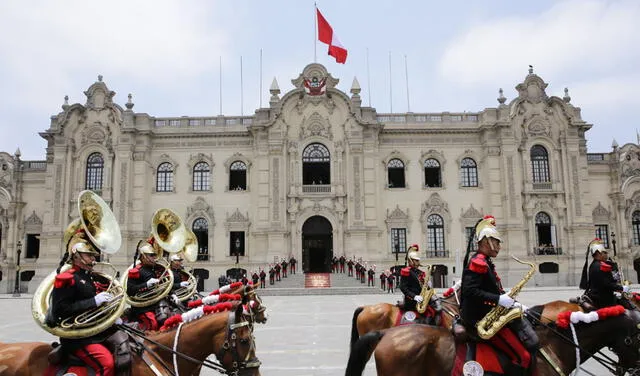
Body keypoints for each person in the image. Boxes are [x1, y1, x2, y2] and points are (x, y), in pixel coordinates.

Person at [460, 215, 538, 376]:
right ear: (486, 241)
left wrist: (508, 299)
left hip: (489, 312)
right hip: (480, 319)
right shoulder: (478, 262)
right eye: (496, 242)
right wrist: (499, 299)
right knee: (523, 356)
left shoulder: (486, 261)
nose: (499, 246)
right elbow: (469, 291)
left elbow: (489, 287)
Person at [46, 229, 118, 376]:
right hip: (77, 336)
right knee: (107, 364)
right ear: (76, 256)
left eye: (93, 255)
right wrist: (94, 301)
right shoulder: (67, 278)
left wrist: (112, 317)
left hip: (96, 331)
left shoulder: (89, 277)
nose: (93, 258)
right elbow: (60, 310)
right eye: (89, 255)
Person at [579, 238, 630, 309]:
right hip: (603, 299)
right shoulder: (601, 266)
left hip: (596, 295)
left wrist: (615, 279)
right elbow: (607, 284)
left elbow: (602, 282)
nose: (607, 255)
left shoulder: (593, 265)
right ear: (598, 253)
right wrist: (622, 288)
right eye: (605, 253)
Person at [126, 239, 164, 331]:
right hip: (142, 308)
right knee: (152, 324)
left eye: (154, 255)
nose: (154, 258)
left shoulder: (155, 269)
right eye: (151, 255)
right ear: (143, 257)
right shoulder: (136, 271)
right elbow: (130, 291)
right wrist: (146, 284)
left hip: (156, 304)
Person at [399, 246, 424, 312]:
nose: (418, 262)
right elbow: (403, 287)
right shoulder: (406, 271)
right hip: (411, 300)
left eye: (418, 260)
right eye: (416, 260)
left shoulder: (419, 272)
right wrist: (414, 296)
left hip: (422, 298)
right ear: (410, 261)